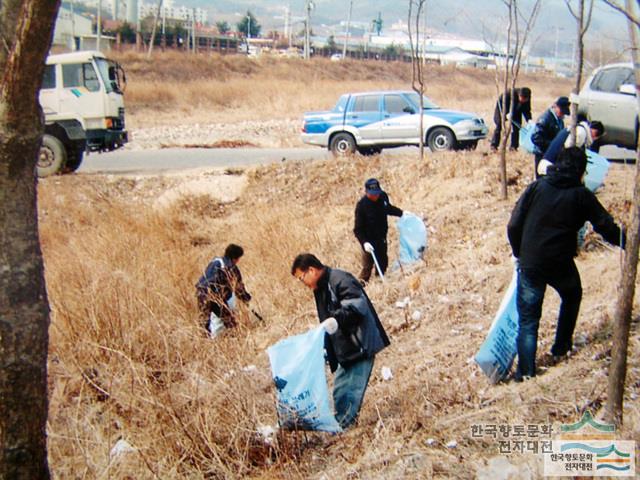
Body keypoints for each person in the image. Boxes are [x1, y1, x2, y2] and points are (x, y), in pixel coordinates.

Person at [507, 147, 625, 381]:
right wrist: (628, 243)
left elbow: (513, 225)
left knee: (529, 319)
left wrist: (519, 253)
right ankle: (561, 347)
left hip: (532, 261)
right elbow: (605, 226)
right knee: (572, 295)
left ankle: (526, 373)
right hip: (560, 262)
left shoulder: (537, 187)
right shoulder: (582, 195)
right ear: (581, 170)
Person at [291, 253, 390, 429]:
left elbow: (356, 307)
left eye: (301, 278)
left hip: (360, 344)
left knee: (350, 391)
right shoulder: (320, 287)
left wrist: (336, 319)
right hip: (346, 347)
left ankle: (346, 428)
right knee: (340, 390)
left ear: (311, 270)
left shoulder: (339, 279)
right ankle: (342, 426)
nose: (302, 283)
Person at [354, 178, 403, 283]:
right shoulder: (361, 206)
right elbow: (358, 229)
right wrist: (365, 243)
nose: (375, 196)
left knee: (383, 262)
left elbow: (388, 208)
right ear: (366, 192)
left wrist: (401, 213)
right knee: (367, 267)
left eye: (377, 193)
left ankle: (380, 281)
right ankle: (360, 286)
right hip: (368, 241)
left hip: (381, 238)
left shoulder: (383, 197)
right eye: (372, 194)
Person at [196, 243, 251, 333]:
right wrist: (245, 299)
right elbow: (238, 287)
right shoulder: (230, 267)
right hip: (216, 296)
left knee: (203, 323)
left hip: (201, 292)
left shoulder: (215, 261)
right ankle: (235, 338)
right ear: (235, 258)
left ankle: (205, 343)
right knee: (230, 321)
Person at [537, 119, 605, 176]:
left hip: (548, 165)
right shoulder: (581, 133)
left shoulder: (577, 128)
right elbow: (568, 153)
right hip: (550, 168)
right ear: (595, 132)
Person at [531, 96, 571, 177]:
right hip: (542, 154)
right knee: (542, 178)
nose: (562, 115)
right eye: (561, 112)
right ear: (555, 107)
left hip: (553, 155)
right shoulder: (545, 119)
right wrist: (552, 145)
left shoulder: (560, 121)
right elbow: (535, 138)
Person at [490, 87, 532, 151]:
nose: (522, 101)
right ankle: (494, 145)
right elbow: (502, 104)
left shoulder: (527, 99)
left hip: (516, 109)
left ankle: (513, 147)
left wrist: (529, 120)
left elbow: (527, 110)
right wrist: (506, 114)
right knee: (499, 125)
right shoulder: (508, 94)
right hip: (502, 107)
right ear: (519, 95)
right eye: (521, 98)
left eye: (524, 100)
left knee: (517, 127)